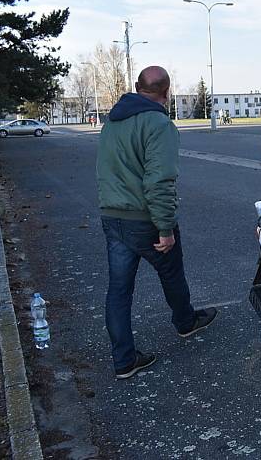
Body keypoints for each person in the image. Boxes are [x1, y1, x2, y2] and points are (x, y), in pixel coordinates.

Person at [96, 65, 217, 379]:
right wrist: (164, 228)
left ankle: (123, 360)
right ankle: (185, 323)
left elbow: (105, 171)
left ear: (137, 87)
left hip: (113, 216)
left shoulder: (112, 122)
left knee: (119, 291)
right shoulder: (158, 123)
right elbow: (160, 180)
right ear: (166, 92)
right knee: (172, 273)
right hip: (145, 219)